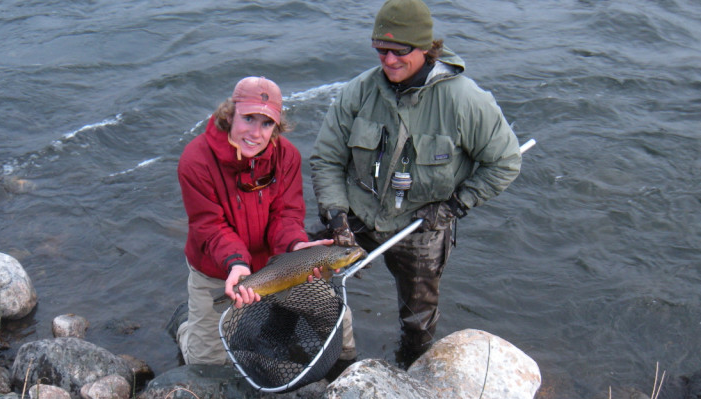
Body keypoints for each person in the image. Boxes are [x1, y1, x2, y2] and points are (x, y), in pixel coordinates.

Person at [310, 0, 522, 366]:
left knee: (418, 317)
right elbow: (327, 159)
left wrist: (455, 206)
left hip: (422, 224)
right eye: (380, 50)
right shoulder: (358, 92)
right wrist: (336, 217)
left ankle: (412, 367)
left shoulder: (466, 101)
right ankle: (338, 362)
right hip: (357, 216)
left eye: (399, 51)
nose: (388, 61)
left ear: (426, 48)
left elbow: (505, 162)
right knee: (310, 278)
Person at [176, 76, 335, 365]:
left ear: (277, 126)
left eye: (267, 123)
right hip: (217, 268)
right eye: (248, 118)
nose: (256, 133)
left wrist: (297, 244)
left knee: (334, 313)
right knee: (206, 363)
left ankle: (345, 364)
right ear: (229, 114)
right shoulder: (195, 160)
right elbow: (209, 226)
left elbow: (287, 214)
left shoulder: (287, 156)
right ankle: (185, 329)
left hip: (277, 265)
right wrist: (237, 263)